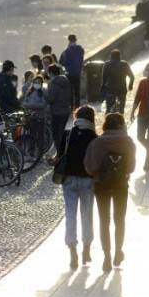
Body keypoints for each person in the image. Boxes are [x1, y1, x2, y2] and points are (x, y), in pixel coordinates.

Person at [84, 113, 136, 272]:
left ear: (106, 125)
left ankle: (106, 255)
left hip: (102, 185)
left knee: (104, 220)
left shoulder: (97, 142)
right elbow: (131, 168)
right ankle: (118, 250)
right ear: (121, 125)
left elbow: (89, 166)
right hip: (121, 185)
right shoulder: (128, 142)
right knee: (120, 219)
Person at [58, 106, 98, 269]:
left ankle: (72, 249)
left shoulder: (68, 134)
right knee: (87, 215)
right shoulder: (94, 136)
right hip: (87, 180)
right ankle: (87, 248)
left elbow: (61, 155)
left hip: (69, 179)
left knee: (70, 214)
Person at [46, 64, 73, 162]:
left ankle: (59, 156)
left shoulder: (53, 83)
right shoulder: (66, 81)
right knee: (63, 134)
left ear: (51, 73)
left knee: (56, 135)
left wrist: (45, 93)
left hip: (56, 112)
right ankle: (63, 154)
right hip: (65, 110)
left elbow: (50, 98)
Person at [101, 49, 134, 114]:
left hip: (110, 90)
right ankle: (121, 117)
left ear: (111, 56)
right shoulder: (124, 64)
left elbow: (104, 77)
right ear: (120, 56)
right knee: (121, 109)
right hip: (122, 90)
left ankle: (108, 117)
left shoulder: (107, 64)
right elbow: (132, 76)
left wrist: (102, 87)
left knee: (109, 109)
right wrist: (130, 85)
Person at [59, 34, 85, 109]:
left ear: (69, 40)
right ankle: (77, 107)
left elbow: (62, 62)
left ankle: (71, 107)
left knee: (70, 91)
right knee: (77, 91)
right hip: (77, 73)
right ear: (76, 40)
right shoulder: (81, 49)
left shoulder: (67, 51)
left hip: (69, 73)